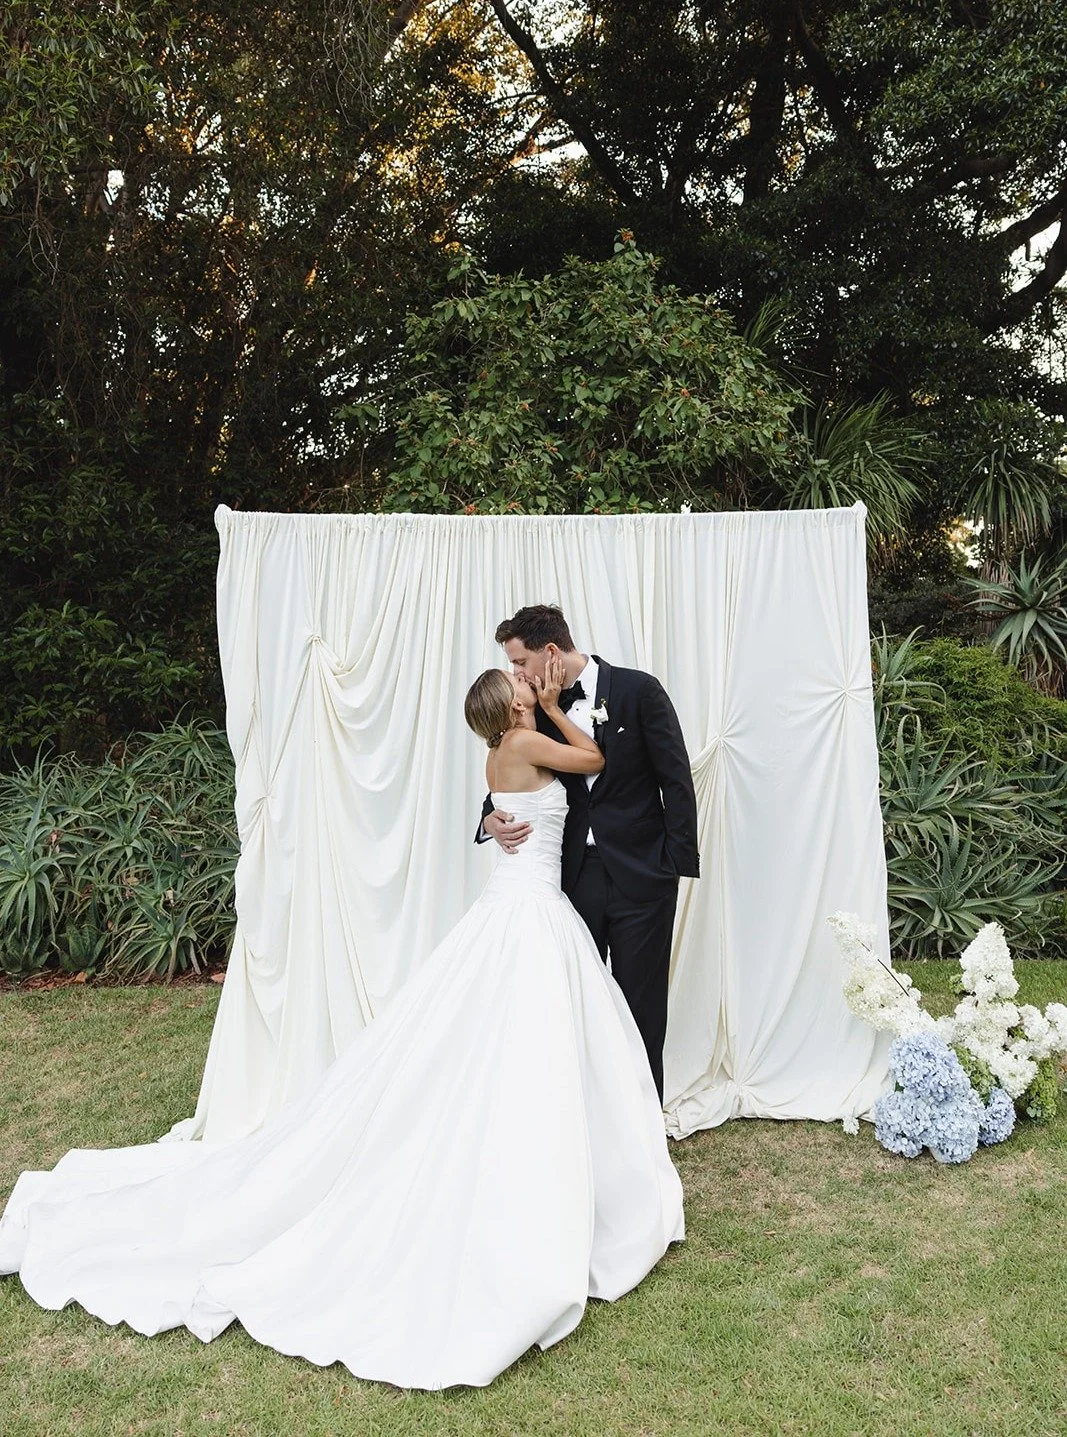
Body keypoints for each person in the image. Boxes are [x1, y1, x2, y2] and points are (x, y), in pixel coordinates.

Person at [0, 658, 683, 1393]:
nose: (527, 685)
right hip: (529, 916)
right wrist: (552, 708)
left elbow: (520, 805)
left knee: (505, 1044)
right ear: (506, 707)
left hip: (519, 907)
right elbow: (593, 758)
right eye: (517, 685)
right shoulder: (524, 741)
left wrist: (495, 804)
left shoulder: (495, 754)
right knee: (527, 1043)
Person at [479, 605, 700, 1100]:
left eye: (519, 663)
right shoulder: (534, 710)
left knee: (641, 1005)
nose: (516, 675)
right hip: (572, 878)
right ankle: (585, 1119)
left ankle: (645, 1121)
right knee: (576, 1003)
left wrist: (674, 866)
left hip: (644, 876)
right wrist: (488, 819)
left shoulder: (639, 690)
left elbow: (675, 778)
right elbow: (511, 770)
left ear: (550, 653)